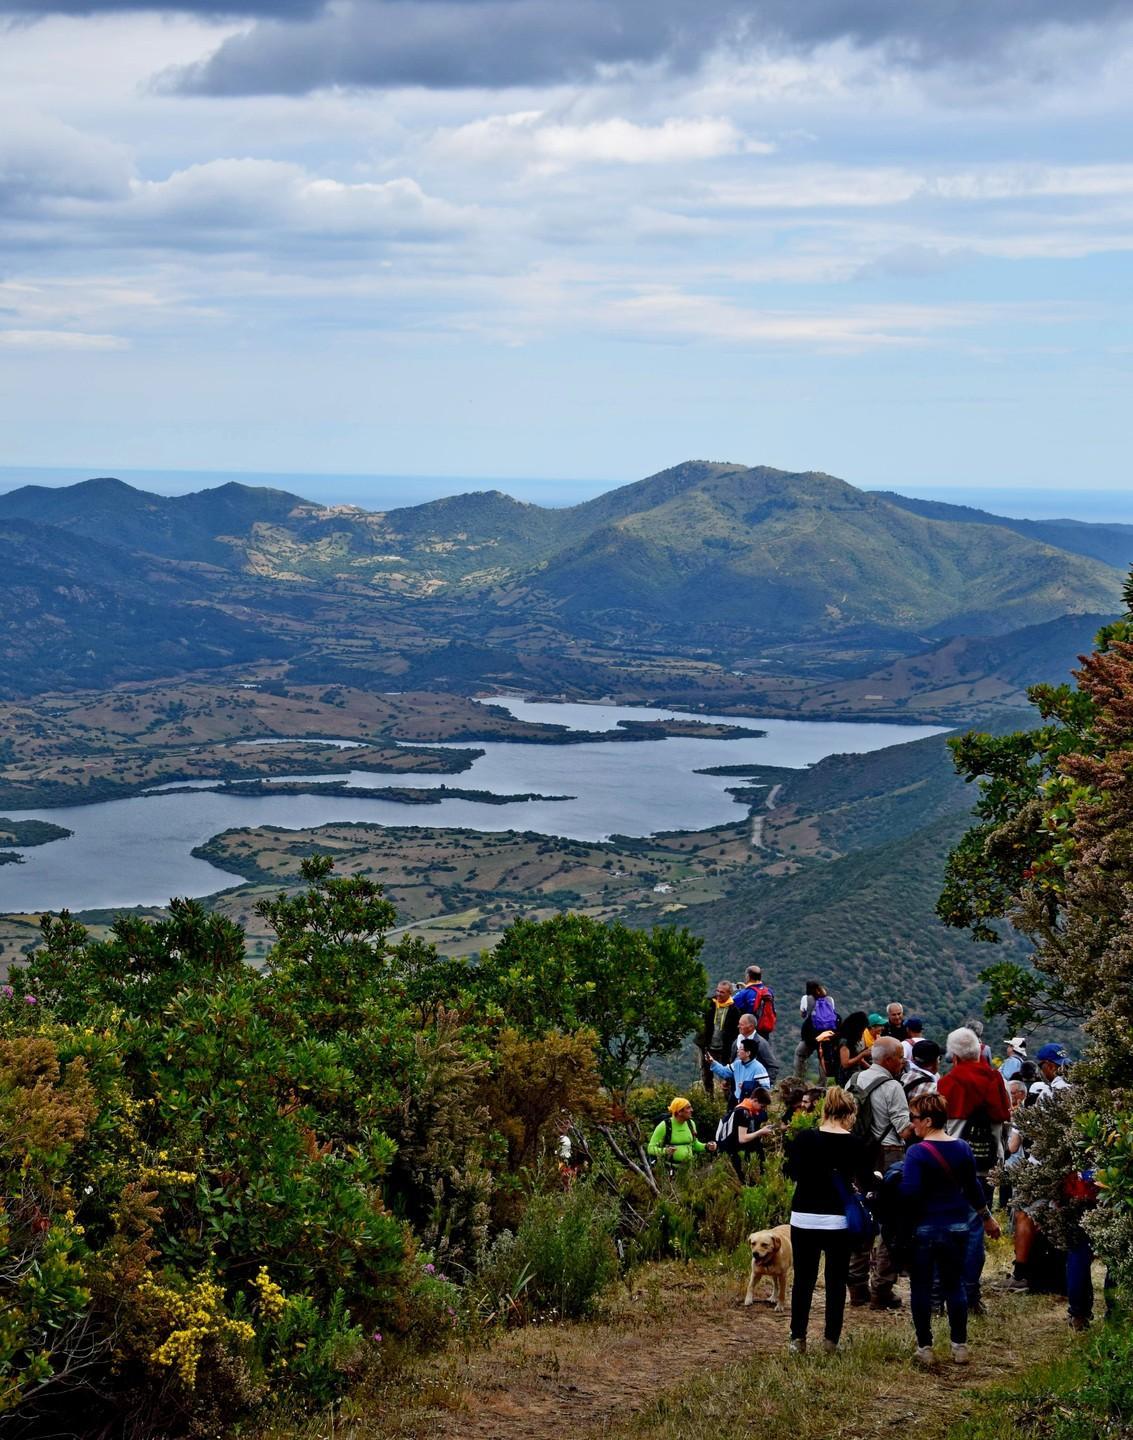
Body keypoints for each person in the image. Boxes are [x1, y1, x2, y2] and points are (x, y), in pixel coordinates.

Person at [902, 1090, 1001, 1367]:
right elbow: (974, 1188)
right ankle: (960, 1346)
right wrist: (987, 1218)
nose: (913, 1124)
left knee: (921, 1287)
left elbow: (910, 1192)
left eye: (915, 1118)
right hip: (957, 1226)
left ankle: (925, 1347)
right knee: (954, 1285)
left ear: (929, 1120)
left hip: (925, 1227)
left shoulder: (917, 1153)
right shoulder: (962, 1149)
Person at [784, 1085, 865, 1356]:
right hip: (837, 1220)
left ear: (824, 1110)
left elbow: (792, 1172)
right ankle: (831, 1340)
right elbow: (864, 1181)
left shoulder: (805, 1138)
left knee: (804, 1280)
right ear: (849, 1112)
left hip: (804, 1216)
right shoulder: (854, 1143)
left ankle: (798, 1338)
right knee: (835, 1281)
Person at [937, 1026, 1011, 1315]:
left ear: (953, 1056)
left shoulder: (949, 1082)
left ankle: (944, 1293)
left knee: (947, 1232)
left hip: (952, 1165)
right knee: (976, 1230)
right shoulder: (995, 1078)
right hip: (987, 1164)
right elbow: (1005, 1118)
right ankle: (971, 1294)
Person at [846, 1037, 912, 1309]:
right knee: (890, 1223)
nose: (902, 1061)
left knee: (861, 1219)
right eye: (899, 1057)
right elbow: (904, 1128)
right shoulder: (892, 1086)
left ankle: (856, 1286)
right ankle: (882, 1288)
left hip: (857, 1154)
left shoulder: (852, 1081)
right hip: (888, 1155)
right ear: (888, 1060)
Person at [647, 1097, 717, 1168]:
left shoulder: (691, 1124)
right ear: (679, 1112)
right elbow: (650, 1148)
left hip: (688, 1170)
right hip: (669, 1170)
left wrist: (707, 1146)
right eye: (688, 1108)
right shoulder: (665, 1125)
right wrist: (665, 1151)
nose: (692, 1110)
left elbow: (695, 1145)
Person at [698, 981, 739, 1096]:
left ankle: (728, 1097)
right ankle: (709, 1097)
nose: (719, 994)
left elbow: (735, 1031)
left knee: (726, 1074)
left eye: (722, 992)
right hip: (707, 1045)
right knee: (706, 1073)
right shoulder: (709, 1003)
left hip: (724, 1048)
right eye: (717, 991)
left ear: (729, 993)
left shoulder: (734, 1010)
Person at [708, 1035, 770, 1105]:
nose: (737, 1051)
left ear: (748, 1053)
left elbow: (765, 1089)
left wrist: (747, 1086)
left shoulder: (759, 1068)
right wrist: (712, 1062)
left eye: (740, 1049)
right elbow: (724, 1072)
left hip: (751, 1104)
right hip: (737, 1101)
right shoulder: (737, 1064)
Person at [795, 981, 834, 1077]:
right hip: (826, 1035)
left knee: (800, 1053)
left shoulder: (806, 998)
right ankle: (822, 1084)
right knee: (823, 1058)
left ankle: (798, 1079)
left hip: (811, 1035)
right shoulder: (830, 999)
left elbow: (803, 1014)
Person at [731, 1012, 779, 1084]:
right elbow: (733, 1063)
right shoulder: (736, 1042)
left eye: (741, 1025)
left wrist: (764, 1085)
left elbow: (773, 1066)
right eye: (739, 1024)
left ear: (751, 1027)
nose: (738, 1026)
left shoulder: (761, 1044)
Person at [836, 1012, 874, 1085]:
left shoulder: (854, 1040)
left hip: (856, 1075)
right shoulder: (845, 1042)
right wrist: (862, 1054)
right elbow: (845, 1064)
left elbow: (860, 1060)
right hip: (846, 1078)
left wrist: (872, 1069)